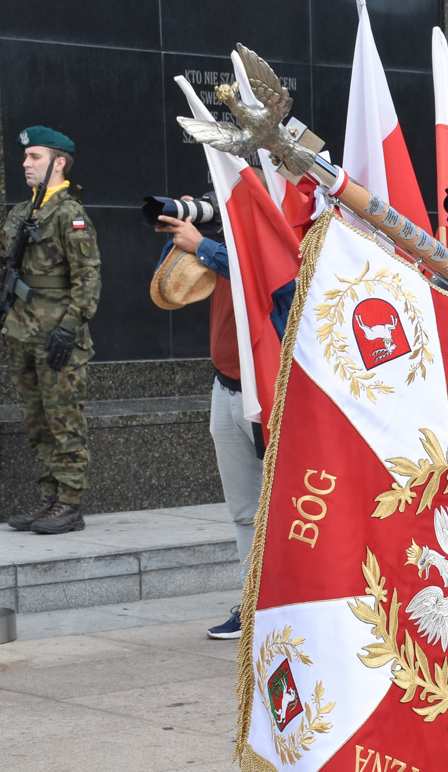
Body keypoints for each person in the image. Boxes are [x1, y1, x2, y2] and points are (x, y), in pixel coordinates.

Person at [155, 199, 295, 640]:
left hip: (269, 391)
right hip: (225, 385)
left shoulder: (285, 230)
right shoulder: (221, 237)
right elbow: (169, 289)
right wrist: (187, 234)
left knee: (281, 505)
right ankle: (252, 601)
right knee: (243, 510)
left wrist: (205, 247)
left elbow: (277, 284)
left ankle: (290, 602)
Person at [0, 126, 100, 535]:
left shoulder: (70, 215)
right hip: (21, 332)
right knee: (37, 420)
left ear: (58, 163)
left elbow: (88, 278)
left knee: (64, 418)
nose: (26, 165)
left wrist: (69, 328)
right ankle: (49, 497)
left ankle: (69, 503)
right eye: (25, 158)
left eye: (35, 158)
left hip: (56, 336)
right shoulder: (20, 212)